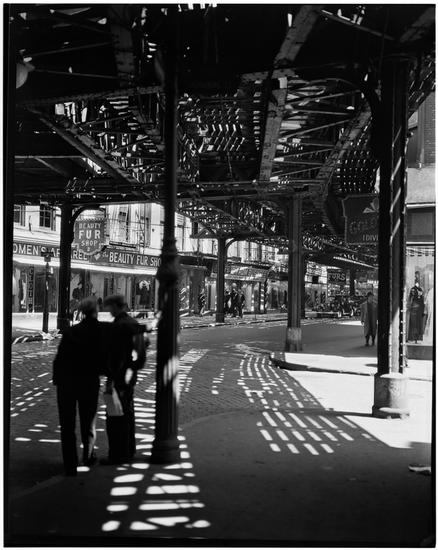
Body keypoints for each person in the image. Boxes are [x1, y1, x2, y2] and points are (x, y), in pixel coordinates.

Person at [52, 297, 109, 476]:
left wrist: (57, 379)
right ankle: (88, 456)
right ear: (96, 311)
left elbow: (60, 357)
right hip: (89, 382)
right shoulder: (102, 331)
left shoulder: (72, 331)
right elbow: (105, 357)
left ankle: (70, 465)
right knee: (88, 421)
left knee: (67, 425)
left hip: (66, 382)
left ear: (82, 312)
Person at [102, 294, 148, 465]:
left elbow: (115, 354)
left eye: (109, 307)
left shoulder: (122, 325)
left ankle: (118, 454)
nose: (108, 311)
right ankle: (128, 450)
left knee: (116, 415)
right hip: (126, 375)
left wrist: (118, 372)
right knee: (126, 413)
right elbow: (141, 353)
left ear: (116, 306)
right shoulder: (131, 323)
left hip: (119, 376)